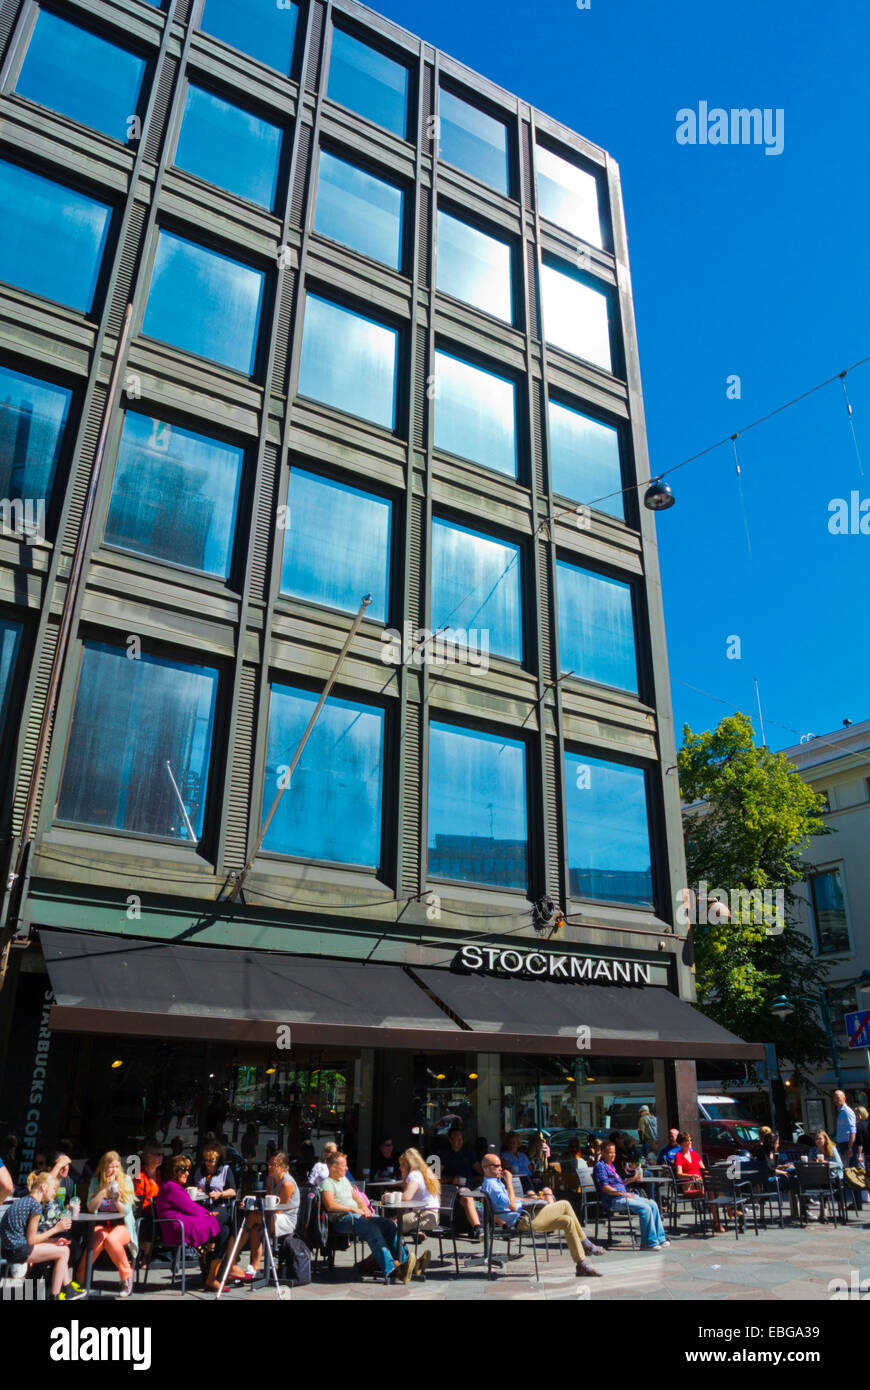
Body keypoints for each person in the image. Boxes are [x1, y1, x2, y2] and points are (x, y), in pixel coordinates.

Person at [479, 1154, 605, 1277]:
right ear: (486, 1168)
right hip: (524, 1219)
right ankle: (587, 1245)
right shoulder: (492, 1185)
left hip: (526, 1214)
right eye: (496, 1166)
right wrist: (509, 1182)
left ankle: (581, 1264)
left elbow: (512, 1200)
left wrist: (531, 1200)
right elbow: (511, 1205)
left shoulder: (494, 1182)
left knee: (567, 1221)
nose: (500, 1168)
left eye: (500, 1165)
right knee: (565, 1204)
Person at [320, 1151, 416, 1282]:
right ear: (333, 1168)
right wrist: (353, 1208)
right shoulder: (327, 1183)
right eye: (344, 1166)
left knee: (390, 1225)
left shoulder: (344, 1180)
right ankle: (391, 1269)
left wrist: (364, 1208)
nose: (347, 1168)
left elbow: (357, 1197)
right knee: (371, 1228)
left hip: (357, 1216)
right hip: (341, 1219)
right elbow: (330, 1206)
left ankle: (404, 1265)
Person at [153, 1153, 238, 1291]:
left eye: (188, 1170)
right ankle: (219, 1272)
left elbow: (188, 1206)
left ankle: (212, 1276)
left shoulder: (173, 1186)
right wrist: (207, 1214)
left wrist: (207, 1214)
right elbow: (189, 1206)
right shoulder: (170, 1187)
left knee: (225, 1231)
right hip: (176, 1227)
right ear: (174, 1172)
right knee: (225, 1219)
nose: (187, 1173)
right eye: (184, 1170)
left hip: (183, 1222)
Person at [0, 1170, 85, 1299]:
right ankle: (56, 1295)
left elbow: (28, 1238)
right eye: (54, 1188)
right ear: (44, 1187)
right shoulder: (36, 1206)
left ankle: (66, 1290)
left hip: (10, 1248)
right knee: (64, 1252)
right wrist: (57, 1229)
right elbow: (31, 1240)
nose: (55, 1192)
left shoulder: (25, 1200)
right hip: (17, 1250)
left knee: (62, 1248)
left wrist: (52, 1241)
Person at [74, 1151, 138, 1297]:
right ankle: (81, 1278)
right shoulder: (96, 1182)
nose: (114, 1170)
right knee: (98, 1239)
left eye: (117, 1166)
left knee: (112, 1239)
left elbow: (127, 1210)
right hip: (101, 1224)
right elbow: (91, 1207)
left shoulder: (125, 1180)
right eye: (111, 1167)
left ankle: (126, 1277)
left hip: (121, 1225)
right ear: (104, 1168)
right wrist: (102, 1191)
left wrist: (117, 1200)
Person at [593, 1140, 670, 1250]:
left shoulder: (611, 1166)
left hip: (624, 1195)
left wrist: (631, 1180)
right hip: (614, 1200)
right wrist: (622, 1194)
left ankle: (660, 1238)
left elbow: (618, 1184)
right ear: (603, 1153)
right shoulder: (600, 1166)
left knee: (652, 1203)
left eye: (614, 1152)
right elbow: (605, 1187)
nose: (613, 1155)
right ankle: (648, 1243)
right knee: (645, 1208)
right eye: (610, 1152)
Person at [245, 1150, 299, 1276]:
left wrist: (258, 1212)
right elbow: (269, 1202)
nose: (269, 1167)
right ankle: (255, 1268)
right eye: (269, 1164)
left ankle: (236, 1249)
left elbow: (280, 1209)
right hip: (273, 1216)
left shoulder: (287, 1184)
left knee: (252, 1218)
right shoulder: (270, 1179)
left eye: (273, 1165)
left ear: (283, 1167)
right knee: (255, 1229)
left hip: (286, 1220)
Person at [674, 1131, 723, 1233]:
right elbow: (679, 1174)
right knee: (711, 1191)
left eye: (691, 1139)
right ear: (682, 1143)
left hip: (701, 1182)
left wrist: (710, 1177)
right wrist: (692, 1175)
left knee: (716, 1186)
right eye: (688, 1140)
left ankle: (722, 1217)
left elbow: (704, 1170)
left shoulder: (694, 1154)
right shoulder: (679, 1155)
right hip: (689, 1185)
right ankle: (718, 1221)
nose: (690, 1142)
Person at [397, 1149, 438, 1264]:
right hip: (433, 1216)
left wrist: (389, 1196)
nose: (400, 1168)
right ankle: (406, 1259)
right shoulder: (425, 1172)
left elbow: (407, 1196)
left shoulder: (414, 1174)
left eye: (402, 1165)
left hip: (423, 1216)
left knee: (390, 1225)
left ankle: (404, 1260)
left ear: (409, 1164)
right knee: (395, 1222)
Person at [441, 1127, 483, 1238]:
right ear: (450, 1140)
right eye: (458, 1139)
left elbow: (481, 1170)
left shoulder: (468, 1154)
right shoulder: (443, 1155)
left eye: (461, 1139)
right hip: (454, 1190)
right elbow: (434, 1179)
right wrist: (451, 1179)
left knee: (485, 1194)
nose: (460, 1142)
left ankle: (488, 1225)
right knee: (468, 1196)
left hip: (472, 1186)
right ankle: (477, 1228)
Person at [834, 1090, 857, 1166]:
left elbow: (852, 1130)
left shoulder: (847, 1111)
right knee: (844, 1168)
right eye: (834, 1098)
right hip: (841, 1144)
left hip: (847, 1144)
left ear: (844, 1098)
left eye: (838, 1098)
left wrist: (850, 1148)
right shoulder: (840, 1111)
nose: (835, 1100)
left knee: (850, 1170)